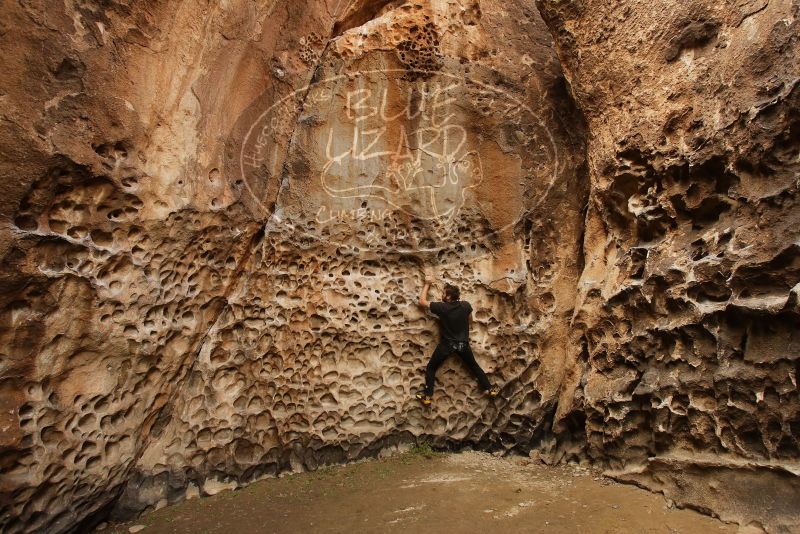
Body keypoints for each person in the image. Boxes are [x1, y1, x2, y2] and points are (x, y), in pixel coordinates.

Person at [416, 275, 499, 405]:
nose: (442, 295)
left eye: (444, 294)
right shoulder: (465, 305)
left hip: (447, 345)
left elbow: (421, 302)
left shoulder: (442, 307)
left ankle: (427, 396)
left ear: (448, 297)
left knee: (431, 367)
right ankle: (490, 389)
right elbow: (470, 320)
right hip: (463, 344)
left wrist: (427, 284)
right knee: (474, 366)